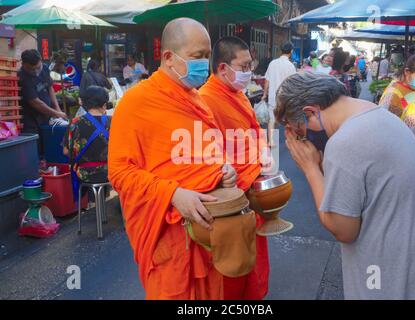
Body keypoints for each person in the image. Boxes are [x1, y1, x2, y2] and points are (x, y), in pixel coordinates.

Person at [275, 71, 415, 299]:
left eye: (298, 132)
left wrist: (310, 168)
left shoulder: (345, 142)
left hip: (394, 278)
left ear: (310, 112)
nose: (301, 139)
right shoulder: (376, 115)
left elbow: (343, 228)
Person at [108, 18, 237, 300]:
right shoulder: (136, 102)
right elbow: (119, 172)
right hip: (169, 234)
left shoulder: (197, 99)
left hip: (209, 229)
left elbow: (210, 149)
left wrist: (224, 168)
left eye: (207, 56)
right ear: (169, 57)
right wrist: (174, 194)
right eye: (197, 56)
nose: (205, 64)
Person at [199, 36, 270, 300]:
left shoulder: (237, 94)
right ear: (222, 68)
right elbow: (205, 152)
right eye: (244, 66)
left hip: (253, 184)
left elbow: (252, 129)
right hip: (230, 195)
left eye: (250, 65)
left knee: (253, 256)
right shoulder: (205, 100)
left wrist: (262, 151)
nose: (249, 72)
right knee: (229, 265)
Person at [19, 49, 67, 156]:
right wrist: (56, 113)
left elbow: (50, 88)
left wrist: (57, 109)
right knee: (36, 149)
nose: (36, 71)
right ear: (24, 64)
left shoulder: (44, 68)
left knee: (48, 146)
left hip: (45, 117)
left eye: (38, 67)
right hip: (31, 121)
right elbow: (35, 102)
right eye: (32, 69)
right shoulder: (22, 77)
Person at [63, 86, 111, 184]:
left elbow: (66, 151)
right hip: (112, 172)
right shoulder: (113, 121)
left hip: (84, 174)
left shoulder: (75, 122)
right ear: (104, 105)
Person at [261, 42, 297, 146]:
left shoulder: (273, 63)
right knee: (288, 119)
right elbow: (293, 83)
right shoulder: (291, 66)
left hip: (273, 96)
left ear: (280, 51)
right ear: (291, 52)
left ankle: (271, 141)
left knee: (272, 119)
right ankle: (290, 140)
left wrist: (265, 94)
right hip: (285, 97)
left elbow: (267, 80)